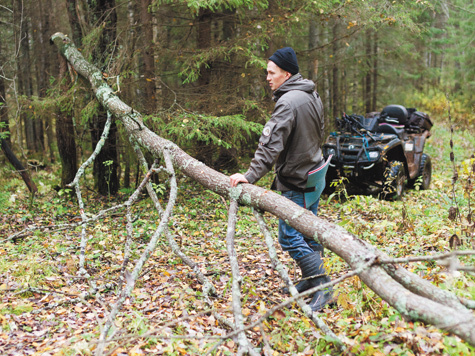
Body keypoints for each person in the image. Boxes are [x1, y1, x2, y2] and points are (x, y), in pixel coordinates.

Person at [229, 47, 333, 311]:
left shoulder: (287, 102)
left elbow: (270, 145)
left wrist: (249, 176)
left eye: (271, 72)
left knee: (289, 237)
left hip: (297, 180)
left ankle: (323, 286)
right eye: (267, 72)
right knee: (308, 234)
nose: (267, 77)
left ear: (286, 73)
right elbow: (318, 132)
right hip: (314, 173)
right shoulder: (311, 94)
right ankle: (312, 283)